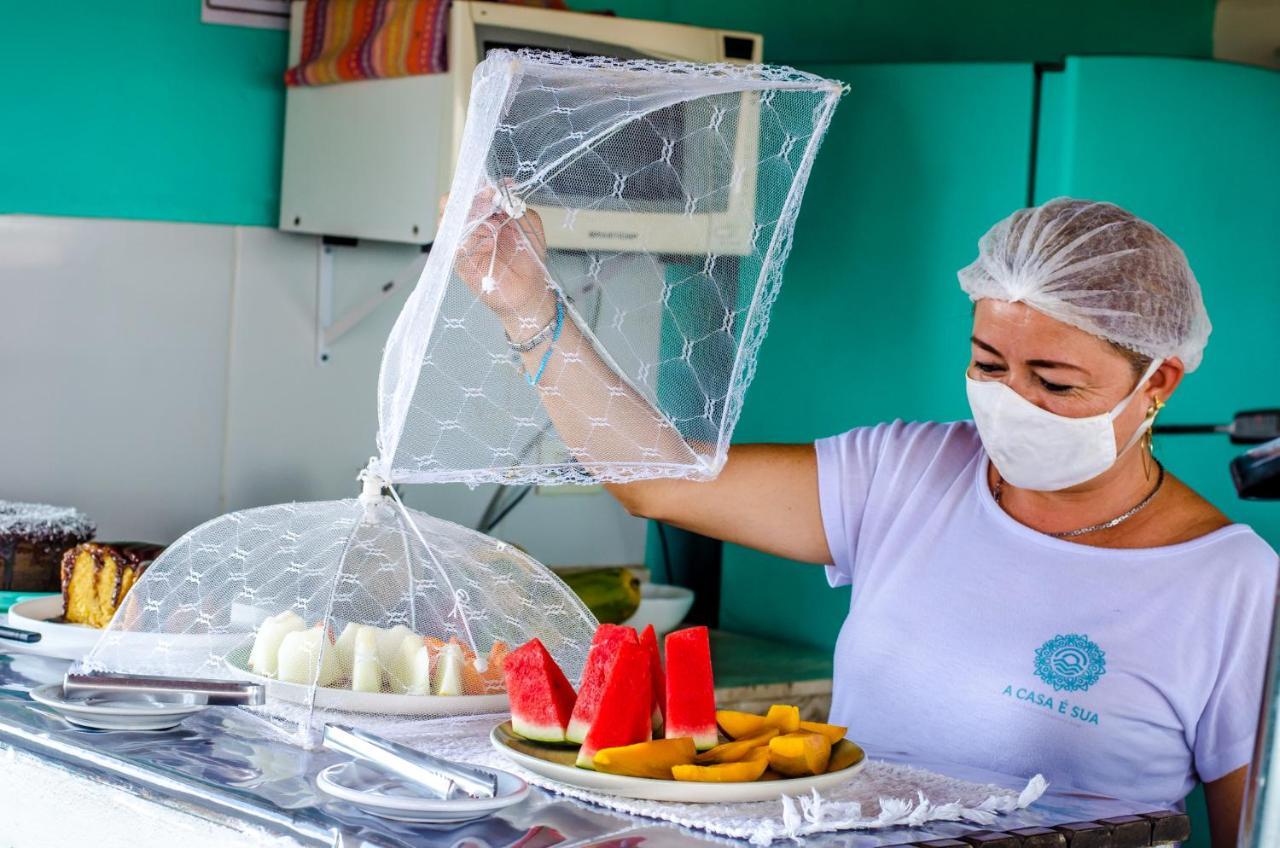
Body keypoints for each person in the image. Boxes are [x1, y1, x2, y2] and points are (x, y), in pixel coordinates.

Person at [457, 193, 1278, 847]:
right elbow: (658, 483)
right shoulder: (908, 473)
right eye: (988, 365)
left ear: (1160, 380)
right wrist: (528, 308)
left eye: (1056, 383)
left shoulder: (1229, 583)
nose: (1012, 402)